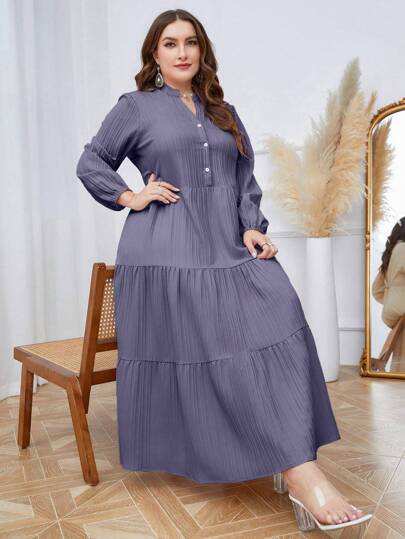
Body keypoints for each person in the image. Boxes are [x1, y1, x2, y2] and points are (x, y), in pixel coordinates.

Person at [76, 9, 371, 531]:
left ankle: (290, 456)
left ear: (202, 50)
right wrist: (131, 196)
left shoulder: (222, 111)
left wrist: (251, 226)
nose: (182, 52)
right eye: (170, 43)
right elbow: (91, 161)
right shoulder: (135, 107)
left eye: (190, 42)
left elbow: (243, 178)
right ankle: (301, 475)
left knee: (279, 313)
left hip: (225, 243)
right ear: (154, 54)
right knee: (216, 350)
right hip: (166, 251)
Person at [372, 218, 405, 369]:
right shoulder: (403, 249)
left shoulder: (391, 252)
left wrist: (391, 299)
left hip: (392, 308)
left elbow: (376, 289)